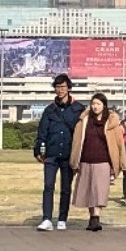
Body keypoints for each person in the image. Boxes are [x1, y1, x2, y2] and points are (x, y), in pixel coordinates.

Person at [34, 74, 86, 231]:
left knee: (65, 188)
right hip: (51, 153)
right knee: (48, 186)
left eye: (63, 87)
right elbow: (42, 132)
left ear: (69, 88)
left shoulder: (79, 109)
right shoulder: (49, 110)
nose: (60, 90)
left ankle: (62, 218)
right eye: (57, 87)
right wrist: (39, 150)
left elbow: (83, 133)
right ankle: (47, 219)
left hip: (69, 154)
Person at [70, 93, 126, 231]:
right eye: (93, 104)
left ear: (104, 105)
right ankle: (92, 217)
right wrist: (74, 161)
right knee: (89, 190)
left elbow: (120, 143)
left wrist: (123, 163)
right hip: (85, 159)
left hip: (103, 161)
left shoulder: (112, 122)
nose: (95, 107)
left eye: (98, 104)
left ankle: (96, 217)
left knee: (100, 190)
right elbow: (76, 141)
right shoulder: (83, 121)